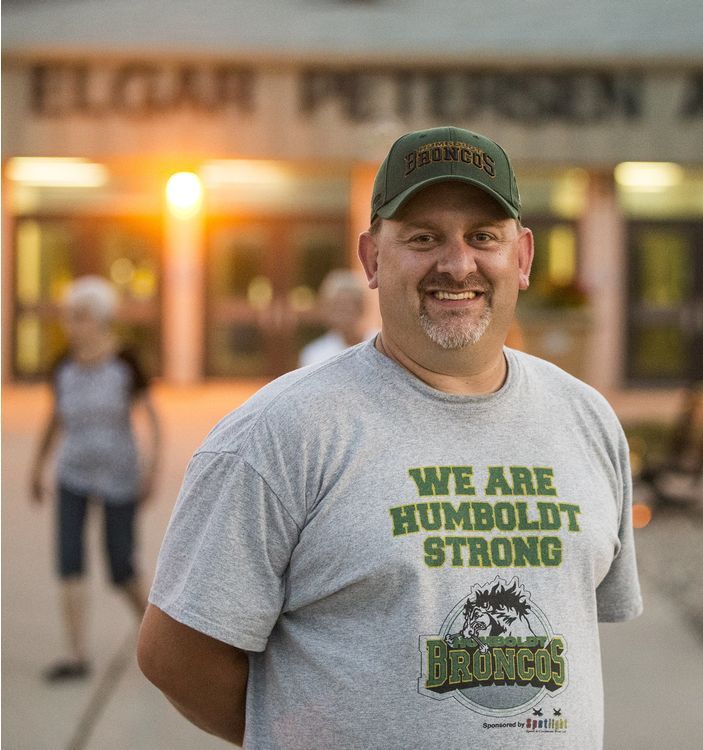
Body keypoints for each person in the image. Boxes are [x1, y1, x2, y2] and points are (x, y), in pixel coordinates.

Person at [137, 126, 642, 748]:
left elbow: (579, 624)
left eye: (483, 236)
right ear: (372, 258)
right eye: (423, 237)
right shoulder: (278, 435)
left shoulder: (586, 420)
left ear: (523, 257)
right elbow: (176, 655)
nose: (457, 263)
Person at [29, 275, 161, 682]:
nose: (73, 324)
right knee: (70, 562)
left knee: (121, 567)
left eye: (81, 316)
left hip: (119, 475)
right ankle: (76, 655)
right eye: (69, 316)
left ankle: (159, 644)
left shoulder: (125, 364)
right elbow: (55, 419)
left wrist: (151, 468)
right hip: (73, 475)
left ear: (102, 319)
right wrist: (38, 466)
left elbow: (152, 420)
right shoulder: (63, 366)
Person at [297, 269, 368, 368]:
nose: (343, 314)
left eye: (347, 306)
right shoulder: (315, 354)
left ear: (361, 308)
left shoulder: (381, 345)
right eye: (337, 307)